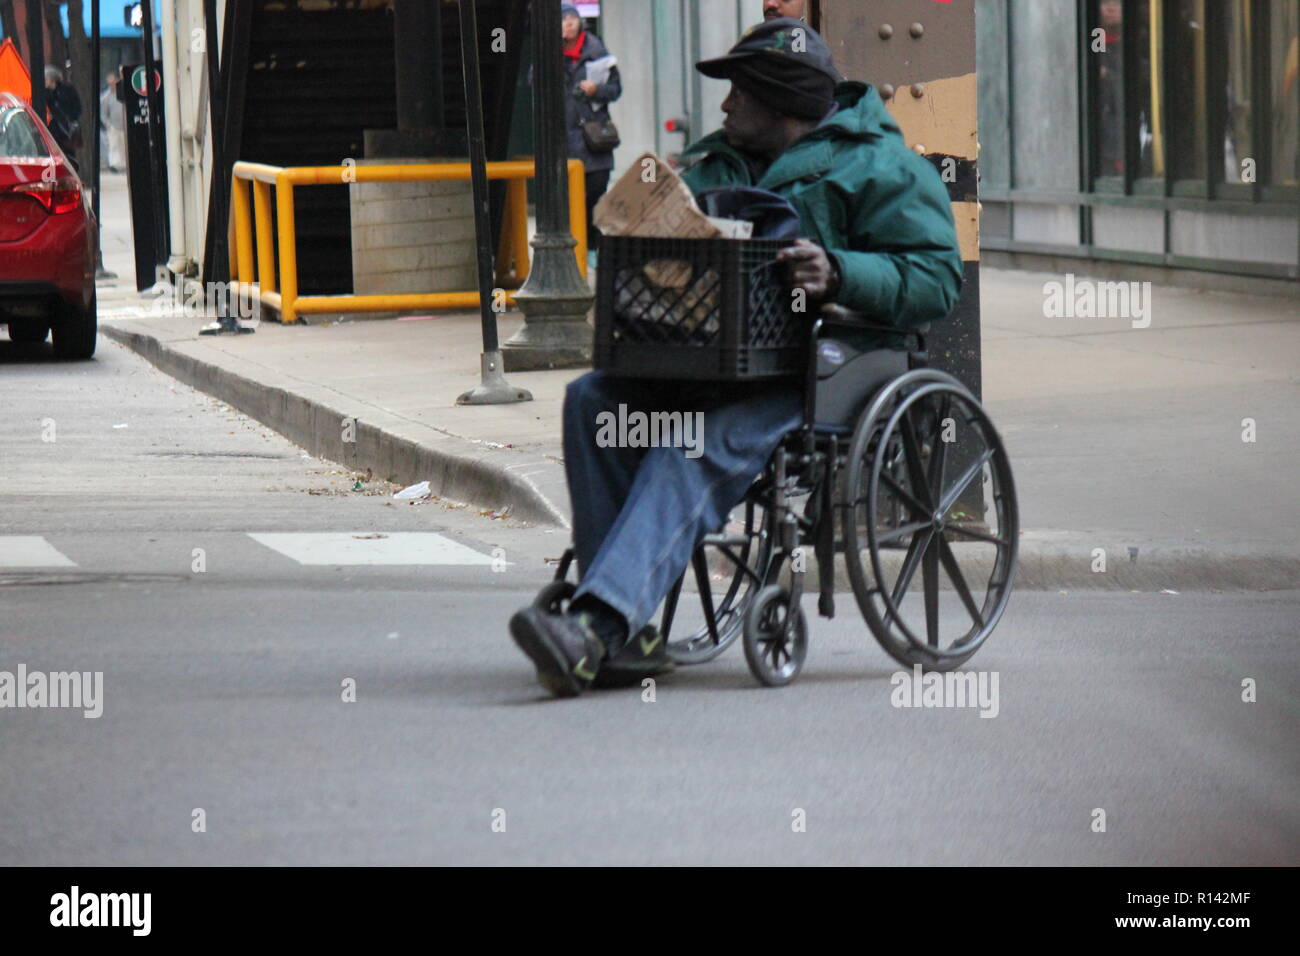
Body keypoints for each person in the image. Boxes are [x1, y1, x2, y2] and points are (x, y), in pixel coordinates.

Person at [509, 19, 961, 698]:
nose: (725, 105)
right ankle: (623, 624)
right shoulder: (714, 164)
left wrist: (840, 271)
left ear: (782, 101)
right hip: (707, 358)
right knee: (593, 401)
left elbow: (936, 279)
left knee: (689, 445)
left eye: (739, 93)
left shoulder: (883, 166)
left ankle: (599, 624)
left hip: (821, 368)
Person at [560, 2, 621, 253]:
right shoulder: (549, 53)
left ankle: (592, 247)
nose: (568, 24)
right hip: (564, 139)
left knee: (595, 192)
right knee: (568, 199)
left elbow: (616, 89)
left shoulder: (597, 51)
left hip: (594, 139)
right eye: (563, 20)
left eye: (572, 19)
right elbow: (534, 82)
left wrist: (597, 90)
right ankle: (576, 247)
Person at [44, 65, 82, 170]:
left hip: (67, 130)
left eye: (46, 79)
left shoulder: (67, 90)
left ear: (52, 79)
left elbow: (77, 108)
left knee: (68, 154)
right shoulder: (45, 93)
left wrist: (70, 118)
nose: (44, 81)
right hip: (53, 129)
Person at [100, 72, 126, 172]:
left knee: (124, 145)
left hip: (124, 124)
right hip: (113, 126)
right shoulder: (106, 97)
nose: (112, 85)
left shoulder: (123, 94)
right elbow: (103, 114)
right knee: (114, 145)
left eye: (114, 82)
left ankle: (124, 164)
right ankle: (115, 165)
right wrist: (108, 125)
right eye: (110, 83)